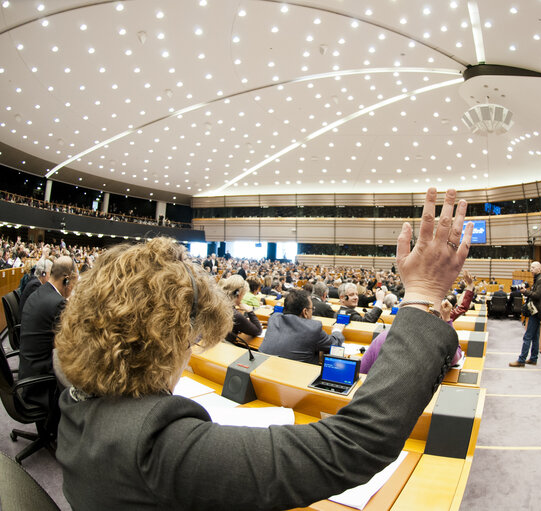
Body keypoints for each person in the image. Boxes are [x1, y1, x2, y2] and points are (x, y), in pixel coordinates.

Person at [53, 188, 472, 510]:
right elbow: (354, 445)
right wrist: (425, 294)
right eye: (192, 341)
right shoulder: (158, 448)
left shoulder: (76, 403)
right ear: (167, 341)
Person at [19, 256, 77, 408]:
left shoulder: (40, 293)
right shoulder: (58, 304)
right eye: (73, 283)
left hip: (28, 369)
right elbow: (69, 344)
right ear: (66, 279)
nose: (72, 288)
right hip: (42, 382)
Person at [260, 289, 344, 364]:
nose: (312, 312)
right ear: (305, 312)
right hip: (298, 377)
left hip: (266, 372)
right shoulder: (313, 328)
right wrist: (337, 331)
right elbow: (334, 344)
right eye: (312, 309)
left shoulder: (274, 318)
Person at [510, 261, 541, 367]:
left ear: (539, 269)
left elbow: (537, 295)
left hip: (536, 312)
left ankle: (521, 360)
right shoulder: (538, 280)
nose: (531, 269)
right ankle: (533, 358)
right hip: (536, 311)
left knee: (528, 336)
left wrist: (525, 291)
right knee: (535, 337)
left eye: (534, 267)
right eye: (531, 267)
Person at [219, 275, 262, 342]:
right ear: (238, 294)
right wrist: (250, 311)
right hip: (225, 349)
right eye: (243, 294)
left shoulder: (218, 304)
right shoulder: (234, 314)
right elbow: (258, 331)